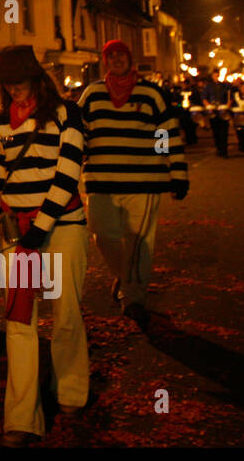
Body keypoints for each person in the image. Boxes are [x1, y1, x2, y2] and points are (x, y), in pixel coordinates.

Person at [0, 45, 87, 447]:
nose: (14, 90)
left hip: (63, 227)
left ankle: (71, 390)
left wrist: (40, 228)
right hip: (19, 234)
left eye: (20, 82)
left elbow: (68, 173)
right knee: (20, 321)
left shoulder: (66, 114)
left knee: (66, 314)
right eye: (8, 84)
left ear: (37, 80)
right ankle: (22, 417)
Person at [78, 40, 188, 326]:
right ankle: (125, 277)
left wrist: (175, 173)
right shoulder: (92, 95)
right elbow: (78, 135)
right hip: (101, 181)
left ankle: (134, 298)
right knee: (102, 235)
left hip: (144, 181)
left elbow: (166, 135)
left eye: (120, 55)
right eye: (110, 56)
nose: (116, 60)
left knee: (138, 242)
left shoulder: (151, 94)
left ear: (130, 59)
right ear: (105, 61)